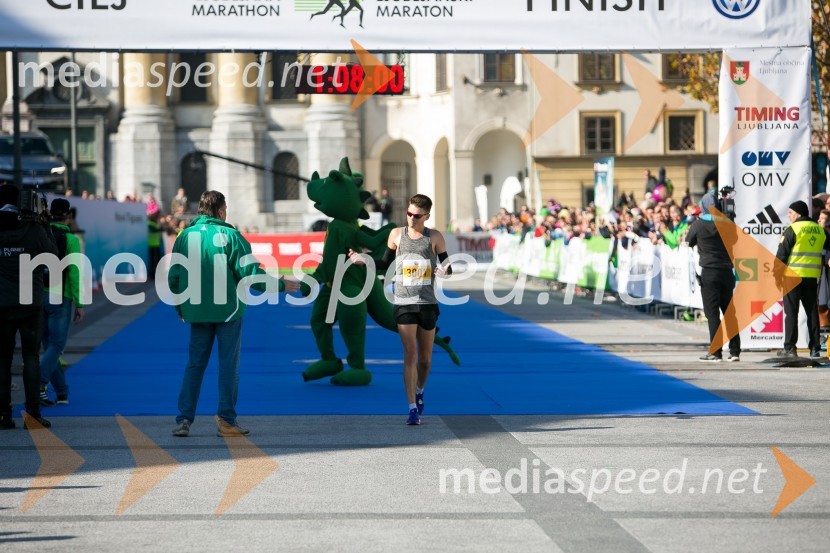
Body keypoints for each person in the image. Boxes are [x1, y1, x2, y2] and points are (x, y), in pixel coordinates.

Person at [168, 191, 299, 438]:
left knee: (195, 365)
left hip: (196, 310)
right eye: (225, 209)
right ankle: (226, 421)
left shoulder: (184, 236)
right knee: (228, 366)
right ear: (220, 211)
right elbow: (250, 274)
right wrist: (280, 284)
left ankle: (184, 419)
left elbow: (174, 277)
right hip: (228, 311)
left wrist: (180, 308)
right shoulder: (231, 235)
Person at [379, 194, 452, 425]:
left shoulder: (435, 236)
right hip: (403, 302)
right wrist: (363, 259)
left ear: (426, 216)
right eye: (408, 213)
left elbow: (447, 265)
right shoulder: (396, 235)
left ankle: (420, 390)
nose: (411, 218)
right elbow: (384, 262)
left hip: (428, 303)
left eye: (416, 215)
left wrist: (446, 271)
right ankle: (411, 408)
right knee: (409, 353)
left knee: (426, 360)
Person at [0, 184, 59, 429]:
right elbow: (54, 256)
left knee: (3, 359)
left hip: (2, 304)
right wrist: (45, 225)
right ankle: (33, 414)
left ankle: (4, 416)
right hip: (29, 302)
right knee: (31, 357)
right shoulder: (33, 229)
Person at [685, 192, 741, 362]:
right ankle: (735, 351)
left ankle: (715, 352)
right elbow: (735, 240)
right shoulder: (727, 224)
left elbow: (688, 242)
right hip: (726, 271)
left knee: (712, 314)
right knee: (729, 313)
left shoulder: (698, 225)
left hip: (709, 271)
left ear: (703, 207)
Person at [39, 198, 85, 407]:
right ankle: (38, 383)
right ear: (69, 215)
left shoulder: (40, 232)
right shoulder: (71, 239)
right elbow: (75, 273)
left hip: (37, 295)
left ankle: (62, 392)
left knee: (49, 345)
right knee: (57, 345)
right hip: (60, 296)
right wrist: (80, 303)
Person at [775, 200, 830, 358]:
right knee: (812, 312)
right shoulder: (819, 231)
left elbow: (781, 256)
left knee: (791, 312)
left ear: (798, 214)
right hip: (811, 277)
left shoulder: (792, 229)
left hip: (792, 276)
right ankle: (815, 347)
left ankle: (790, 348)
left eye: (790, 213)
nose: (789, 216)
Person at [147, 202, 162, 279]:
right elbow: (156, 230)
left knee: (156, 260)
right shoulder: (150, 224)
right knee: (154, 261)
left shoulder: (154, 224)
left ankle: (156, 273)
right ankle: (153, 274)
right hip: (152, 245)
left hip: (155, 244)